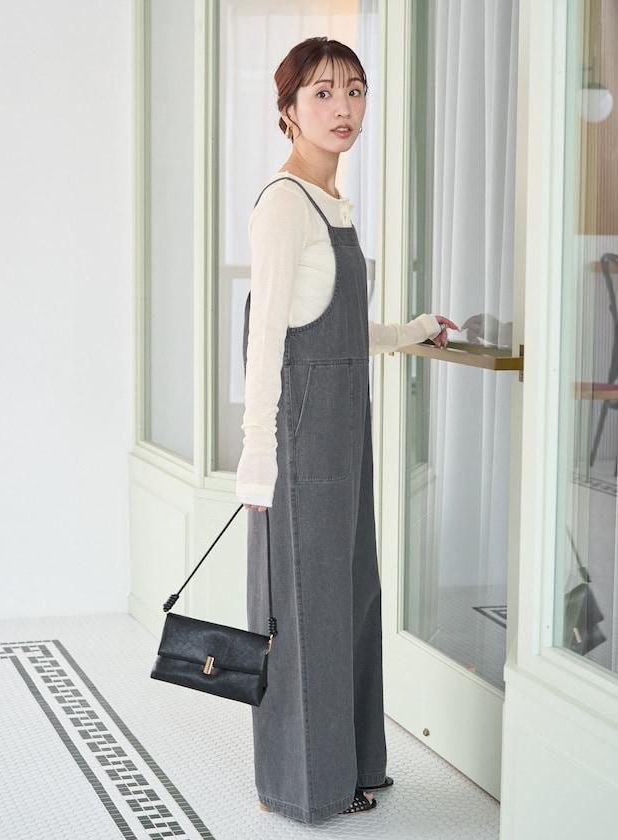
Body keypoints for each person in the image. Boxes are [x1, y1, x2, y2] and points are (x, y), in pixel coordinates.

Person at [237, 36, 459, 824]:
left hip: (343, 430)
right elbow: (268, 339)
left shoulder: (332, 204)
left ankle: (356, 761)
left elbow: (332, 326)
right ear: (288, 110)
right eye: (323, 93)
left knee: (351, 595)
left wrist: (412, 331)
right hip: (300, 439)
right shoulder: (283, 204)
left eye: (355, 90)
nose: (344, 108)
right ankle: (307, 784)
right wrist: (256, 457)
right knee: (305, 610)